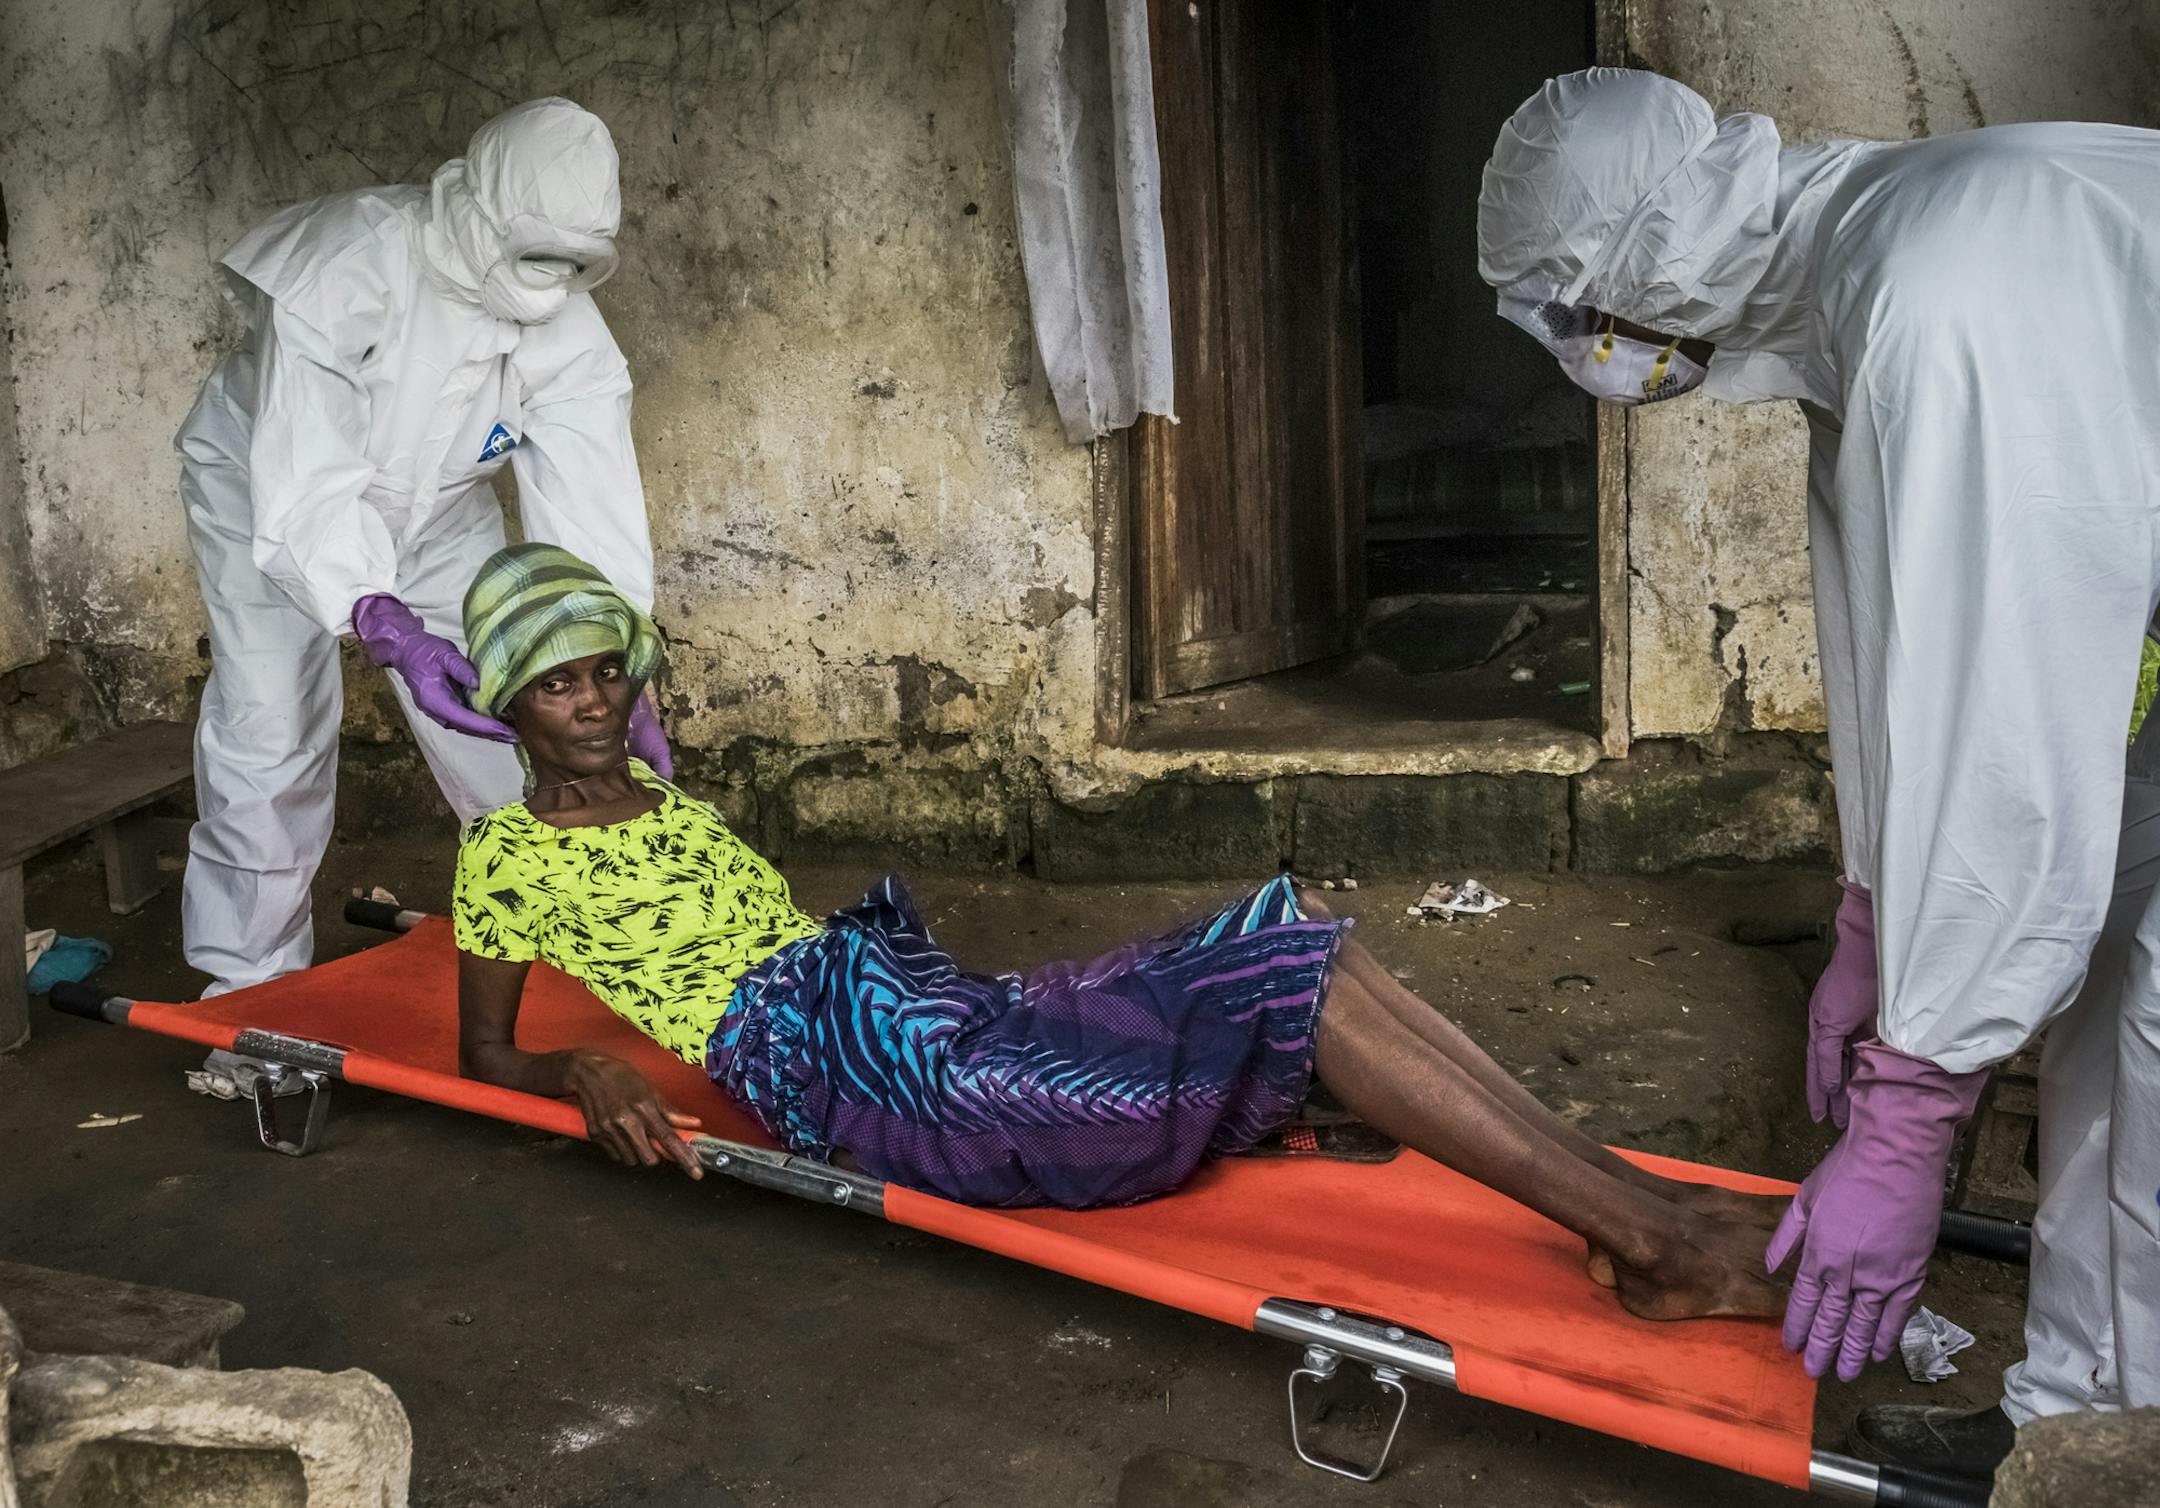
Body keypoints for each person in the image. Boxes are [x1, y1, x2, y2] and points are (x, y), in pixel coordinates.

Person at [449, 542, 1789, 1321]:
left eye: (605, 670)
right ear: (507, 707)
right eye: (557, 684)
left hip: (906, 1003)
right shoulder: (506, 856)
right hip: (870, 1084)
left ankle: (1635, 1202)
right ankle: (1659, 1249)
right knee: (1289, 986)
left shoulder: (665, 799)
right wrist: (584, 1064)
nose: (594, 700)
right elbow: (484, 1051)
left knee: (1300, 927)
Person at [1476, 67, 2160, 1476]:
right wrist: (1875, 912)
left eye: (1574, 310)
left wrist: (1912, 1112)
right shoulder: (1864, 270)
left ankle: (2129, 1445)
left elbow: (2009, 724)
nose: (1584, 351)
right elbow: (1892, 643)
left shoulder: (1941, 308)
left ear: (1647, 257)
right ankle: (2081, 1424)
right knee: (2115, 965)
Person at [175, 97, 671, 1001]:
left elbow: (590, 501)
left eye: (572, 262)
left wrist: (613, 658)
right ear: (484, 210)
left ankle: (555, 917)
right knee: (271, 725)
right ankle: (248, 981)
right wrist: (383, 620)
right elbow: (307, 480)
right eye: (539, 253)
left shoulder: (568, 326)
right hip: (265, 496)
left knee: (523, 708)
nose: (552, 280)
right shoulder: (350, 265)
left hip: (440, 513)